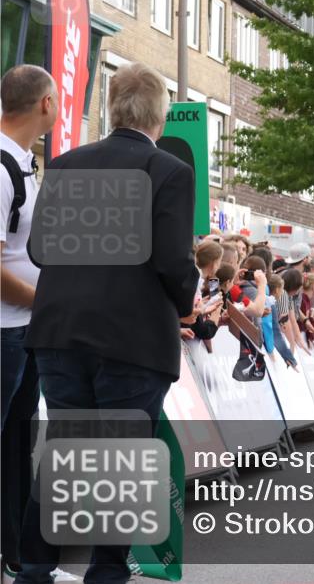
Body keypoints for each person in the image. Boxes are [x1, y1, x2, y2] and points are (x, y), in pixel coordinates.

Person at [19, 63, 200, 583]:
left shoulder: (69, 164)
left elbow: (39, 248)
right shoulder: (168, 171)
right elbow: (170, 261)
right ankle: (105, 573)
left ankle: (32, 570)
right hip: (131, 339)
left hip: (60, 334)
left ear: (112, 109)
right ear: (159, 117)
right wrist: (186, 300)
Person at [1, 65, 56, 583]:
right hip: (6, 332)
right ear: (44, 104)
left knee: (18, 443)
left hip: (21, 330)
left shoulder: (22, 165)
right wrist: (45, 303)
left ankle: (15, 553)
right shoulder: (0, 169)